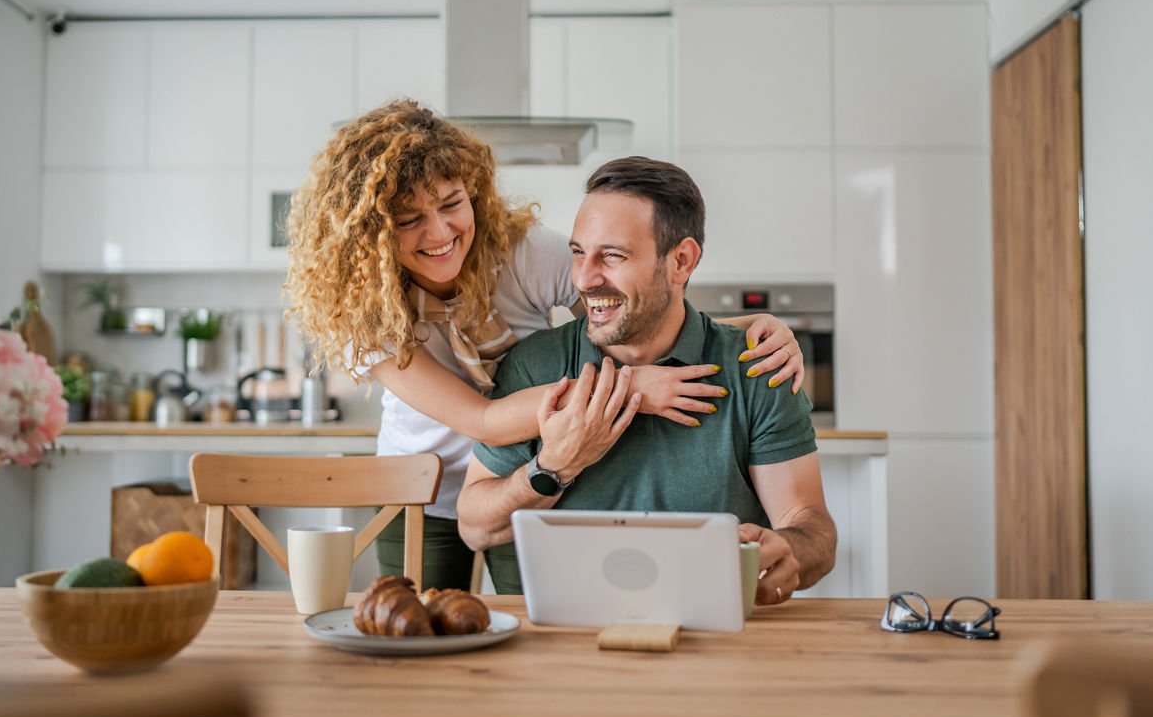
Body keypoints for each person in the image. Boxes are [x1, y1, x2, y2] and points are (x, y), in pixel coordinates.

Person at [283, 101, 809, 591]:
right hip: (420, 485)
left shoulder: (523, 253)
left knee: (537, 614)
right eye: (408, 220)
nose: (440, 231)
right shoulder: (361, 312)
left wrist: (751, 327)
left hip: (531, 471)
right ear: (370, 233)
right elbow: (483, 420)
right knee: (415, 633)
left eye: (451, 204)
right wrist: (626, 390)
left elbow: (626, 316)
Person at [457, 156, 837, 605]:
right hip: (570, 641)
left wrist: (789, 548)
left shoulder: (757, 366)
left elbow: (810, 523)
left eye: (612, 256)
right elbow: (475, 528)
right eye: (578, 253)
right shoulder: (535, 366)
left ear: (681, 261)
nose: (584, 278)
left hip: (718, 640)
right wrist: (553, 468)